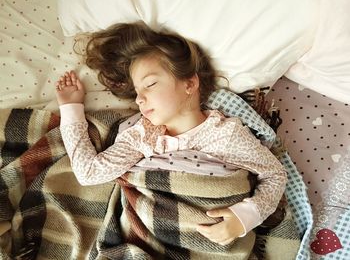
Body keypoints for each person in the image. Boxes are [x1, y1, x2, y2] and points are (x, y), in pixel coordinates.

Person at [54, 22, 287, 246]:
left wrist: (243, 218)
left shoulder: (225, 135)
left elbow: (275, 174)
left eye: (151, 84)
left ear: (189, 84)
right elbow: (88, 173)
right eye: (137, 91)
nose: (139, 99)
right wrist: (71, 109)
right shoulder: (143, 135)